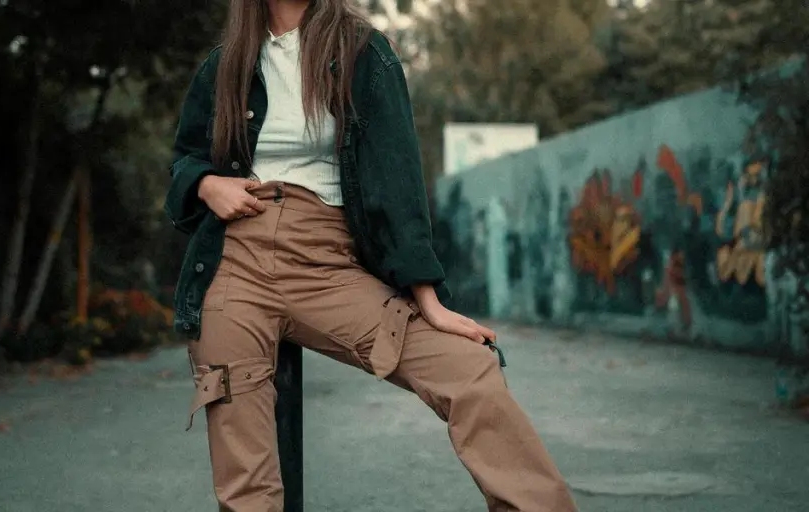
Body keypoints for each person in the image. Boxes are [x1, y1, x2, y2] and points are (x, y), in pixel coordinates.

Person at [164, 0, 577, 510]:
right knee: (245, 479)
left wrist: (429, 298)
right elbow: (184, 158)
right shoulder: (226, 64)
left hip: (327, 263)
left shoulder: (362, 51)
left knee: (469, 371)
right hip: (235, 262)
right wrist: (206, 184)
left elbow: (397, 177)